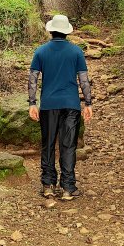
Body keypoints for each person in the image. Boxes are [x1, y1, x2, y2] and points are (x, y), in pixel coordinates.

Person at [27, 14, 94, 201]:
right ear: (66, 32)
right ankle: (68, 187)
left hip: (48, 105)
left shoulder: (40, 51)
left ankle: (47, 185)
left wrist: (32, 103)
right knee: (68, 145)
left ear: (51, 30)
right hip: (71, 105)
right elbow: (83, 80)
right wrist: (88, 103)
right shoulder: (76, 52)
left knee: (47, 144)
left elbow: (33, 79)